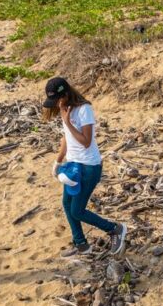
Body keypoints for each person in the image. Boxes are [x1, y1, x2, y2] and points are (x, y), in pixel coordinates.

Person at [42, 77, 127, 257]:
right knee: (66, 203)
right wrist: (58, 161)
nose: (56, 104)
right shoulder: (65, 108)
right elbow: (66, 138)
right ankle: (81, 244)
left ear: (65, 94)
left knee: (77, 210)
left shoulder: (84, 109)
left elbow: (86, 142)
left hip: (89, 167)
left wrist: (68, 123)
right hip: (73, 165)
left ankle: (115, 229)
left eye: (58, 99)